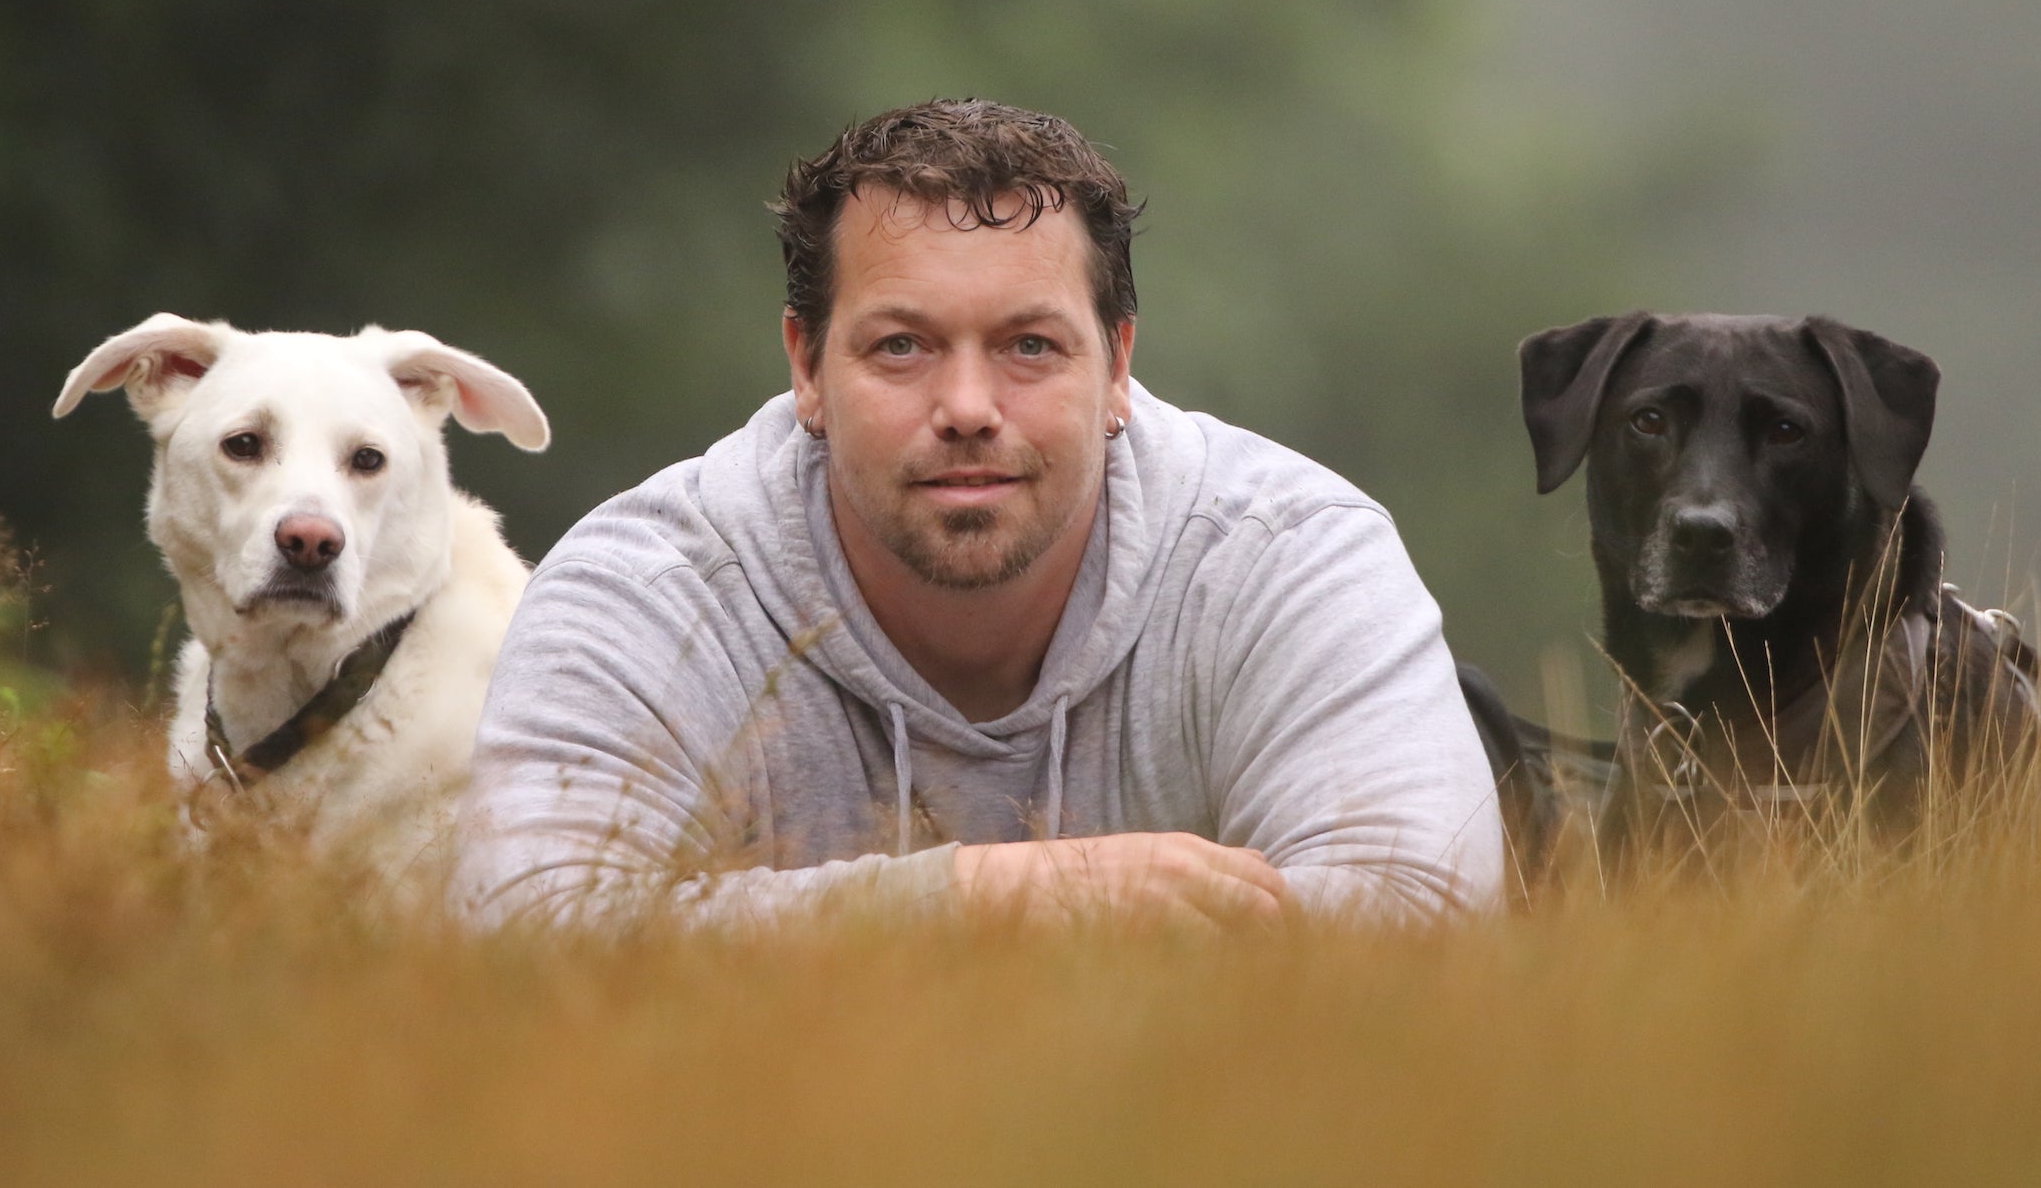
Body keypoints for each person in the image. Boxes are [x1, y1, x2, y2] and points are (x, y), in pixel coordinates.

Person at [454, 100, 1501, 928]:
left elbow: (1428, 913)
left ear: (1118, 366)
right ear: (806, 367)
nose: (966, 407)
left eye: (1029, 346)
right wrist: (989, 900)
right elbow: (524, 931)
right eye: (901, 346)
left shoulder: (1286, 553)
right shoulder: (647, 588)